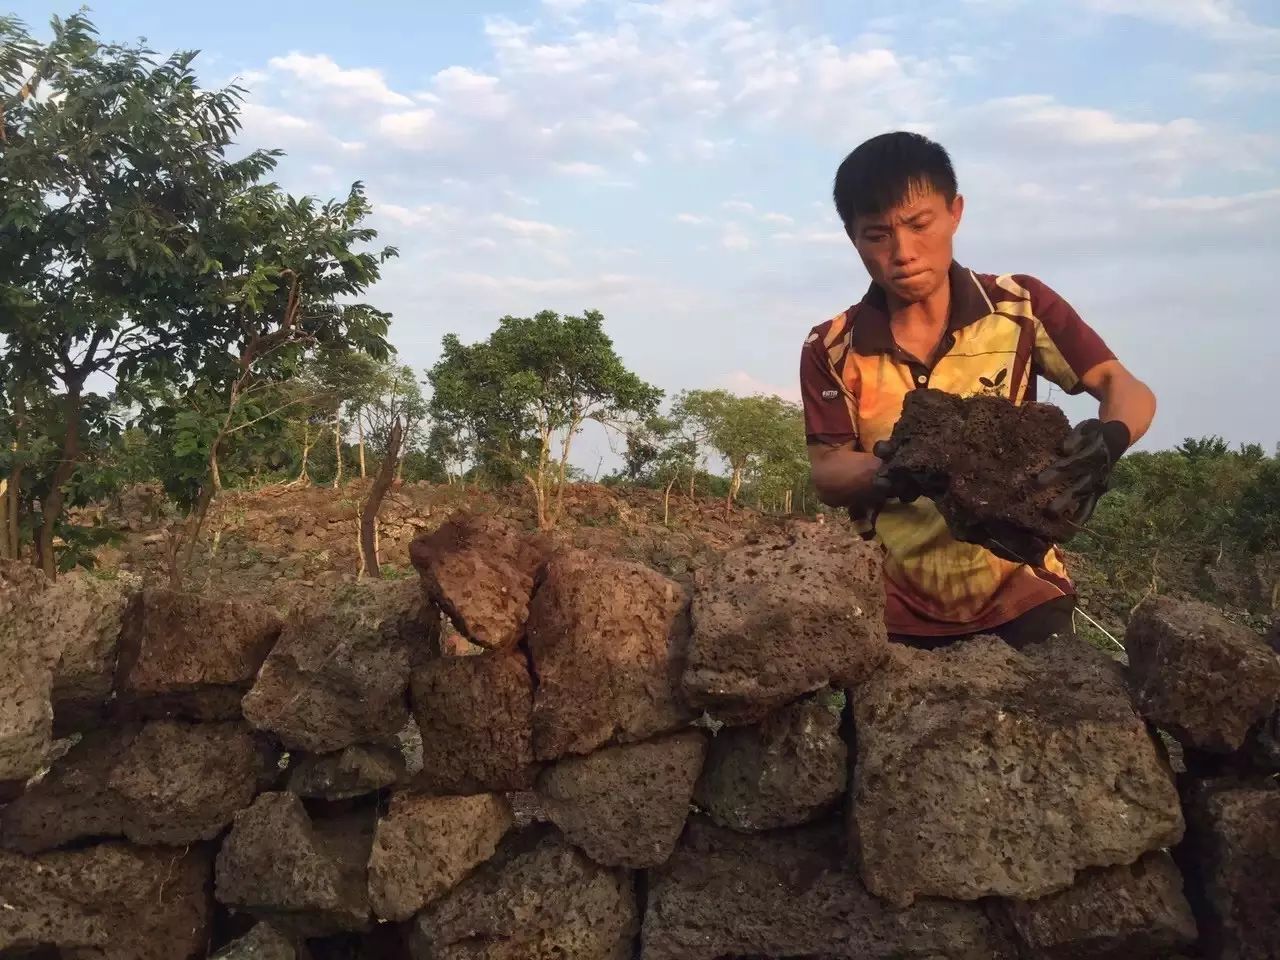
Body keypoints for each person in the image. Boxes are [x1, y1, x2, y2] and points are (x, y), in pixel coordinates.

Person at [801, 132, 1156, 650]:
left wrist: (1109, 440)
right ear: (853, 238)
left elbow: (1122, 386)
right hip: (893, 609)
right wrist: (901, 466)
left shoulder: (1020, 307)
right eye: (877, 235)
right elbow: (828, 471)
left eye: (919, 224)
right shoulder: (833, 345)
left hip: (1024, 594)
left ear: (955, 212)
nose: (903, 252)